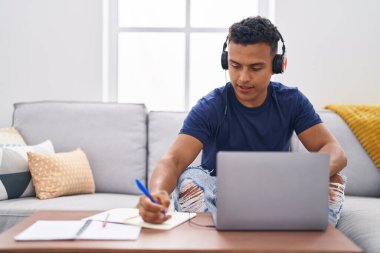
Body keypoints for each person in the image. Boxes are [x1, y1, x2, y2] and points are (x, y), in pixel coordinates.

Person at [137, 16, 347, 227]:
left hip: (280, 192)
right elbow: (174, 160)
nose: (242, 78)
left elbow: (333, 150)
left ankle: (295, 234)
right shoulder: (211, 105)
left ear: (277, 65)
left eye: (255, 68)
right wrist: (155, 194)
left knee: (333, 179)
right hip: (220, 196)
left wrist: (307, 176)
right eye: (235, 66)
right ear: (225, 61)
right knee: (190, 181)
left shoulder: (292, 101)